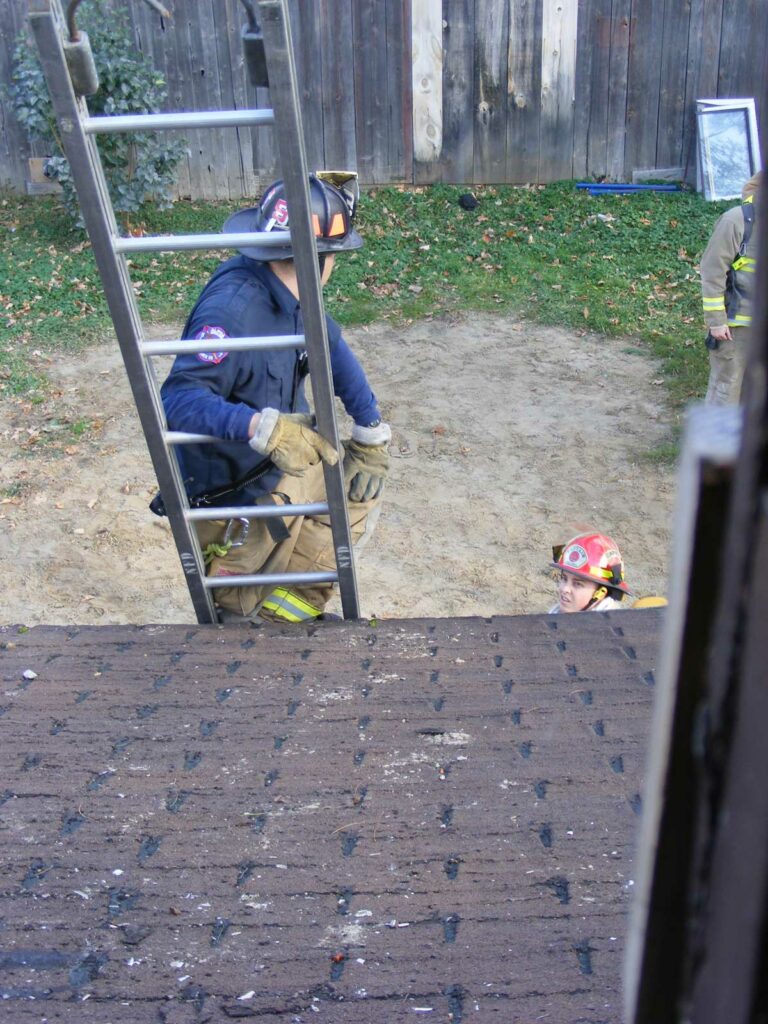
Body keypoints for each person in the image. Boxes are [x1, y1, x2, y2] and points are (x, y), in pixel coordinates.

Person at [158, 172, 390, 624]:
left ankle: (286, 619)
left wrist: (370, 432)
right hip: (235, 492)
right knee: (237, 606)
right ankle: (246, 628)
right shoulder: (232, 311)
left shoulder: (294, 291)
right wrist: (261, 428)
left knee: (353, 494)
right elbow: (177, 400)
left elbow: (331, 347)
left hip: (278, 465)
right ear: (320, 259)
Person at [700, 170, 762, 404]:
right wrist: (716, 321)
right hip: (736, 329)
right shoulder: (736, 220)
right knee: (726, 392)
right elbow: (712, 271)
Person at [548, 532, 631, 613]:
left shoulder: (608, 626)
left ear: (602, 593)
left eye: (577, 584)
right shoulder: (549, 623)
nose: (564, 589)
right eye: (564, 578)